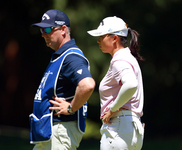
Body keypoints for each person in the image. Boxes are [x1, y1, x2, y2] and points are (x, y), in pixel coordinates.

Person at [29, 9, 95, 150]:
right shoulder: (59, 56)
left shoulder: (71, 56)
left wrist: (71, 108)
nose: (44, 34)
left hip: (60, 131)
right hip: (50, 132)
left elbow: (87, 85)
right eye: (41, 30)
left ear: (63, 29)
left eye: (48, 29)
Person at [87, 16, 145, 150]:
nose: (98, 40)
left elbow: (130, 85)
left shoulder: (119, 60)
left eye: (101, 36)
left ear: (114, 38)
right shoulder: (129, 57)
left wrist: (112, 110)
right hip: (132, 129)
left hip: (118, 128)